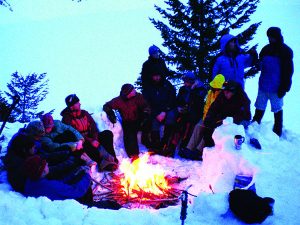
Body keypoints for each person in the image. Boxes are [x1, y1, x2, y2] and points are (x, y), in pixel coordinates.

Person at [180, 80, 251, 160]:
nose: (225, 94)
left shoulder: (242, 99)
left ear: (233, 92)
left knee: (213, 129)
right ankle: (189, 149)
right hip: (221, 118)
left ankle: (198, 151)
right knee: (200, 125)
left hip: (236, 122)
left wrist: (220, 121)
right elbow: (213, 108)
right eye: (224, 91)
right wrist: (208, 118)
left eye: (227, 92)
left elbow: (241, 116)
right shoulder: (222, 96)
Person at [3, 121, 80, 193]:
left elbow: (41, 155)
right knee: (62, 170)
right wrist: (70, 163)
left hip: (33, 167)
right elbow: (48, 170)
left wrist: (62, 153)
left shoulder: (25, 148)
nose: (39, 139)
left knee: (62, 153)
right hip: (30, 181)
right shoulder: (23, 161)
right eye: (33, 147)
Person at [23, 155, 121, 210]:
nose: (47, 164)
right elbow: (78, 191)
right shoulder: (50, 186)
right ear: (42, 171)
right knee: (113, 206)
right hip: (71, 209)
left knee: (78, 175)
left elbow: (60, 184)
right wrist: (87, 175)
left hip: (57, 201)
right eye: (45, 165)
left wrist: (75, 174)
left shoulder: (31, 182)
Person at [252, 27, 294, 137]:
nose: (270, 39)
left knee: (277, 109)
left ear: (277, 36)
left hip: (277, 88)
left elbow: (288, 72)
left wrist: (284, 88)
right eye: (269, 37)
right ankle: (254, 127)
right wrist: (257, 64)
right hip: (263, 85)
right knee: (259, 107)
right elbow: (260, 65)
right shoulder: (265, 49)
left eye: (272, 37)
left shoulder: (285, 51)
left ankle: (277, 131)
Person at [60, 95, 118, 169]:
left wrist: (95, 138)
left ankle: (112, 157)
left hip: (91, 136)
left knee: (107, 134)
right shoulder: (66, 118)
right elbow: (73, 133)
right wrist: (90, 140)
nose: (80, 104)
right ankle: (102, 163)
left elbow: (93, 126)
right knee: (87, 146)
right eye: (77, 103)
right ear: (72, 106)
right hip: (81, 140)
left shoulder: (84, 113)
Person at [103, 84, 151, 159]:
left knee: (149, 124)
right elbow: (106, 106)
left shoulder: (138, 96)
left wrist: (145, 114)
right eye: (132, 90)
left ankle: (148, 144)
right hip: (128, 121)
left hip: (140, 119)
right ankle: (133, 154)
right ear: (128, 93)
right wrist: (110, 113)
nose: (134, 91)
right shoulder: (119, 100)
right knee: (130, 134)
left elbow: (146, 106)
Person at [142, 70, 177, 156]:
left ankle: (166, 143)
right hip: (155, 111)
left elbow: (172, 99)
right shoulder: (149, 87)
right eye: (155, 76)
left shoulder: (167, 85)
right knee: (154, 122)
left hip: (167, 109)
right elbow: (147, 103)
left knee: (171, 117)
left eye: (158, 76)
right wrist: (156, 113)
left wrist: (164, 111)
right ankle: (156, 145)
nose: (157, 78)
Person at [172, 71, 207, 150]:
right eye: (184, 82)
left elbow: (197, 102)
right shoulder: (183, 89)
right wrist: (179, 107)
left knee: (189, 124)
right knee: (177, 122)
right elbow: (178, 100)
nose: (185, 84)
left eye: (187, 82)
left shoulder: (201, 88)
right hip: (184, 111)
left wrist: (192, 90)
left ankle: (185, 146)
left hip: (195, 112)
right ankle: (172, 145)